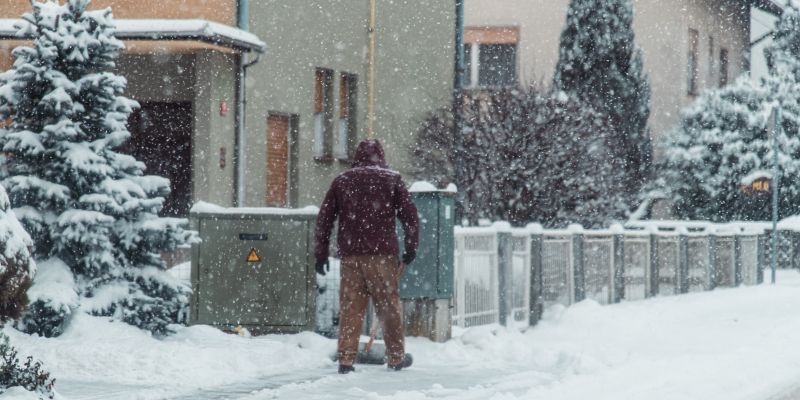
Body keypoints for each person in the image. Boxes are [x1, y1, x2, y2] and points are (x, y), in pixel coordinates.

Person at [314, 139, 419, 374]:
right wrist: (410, 250)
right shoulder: (392, 179)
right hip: (382, 256)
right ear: (381, 156)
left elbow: (324, 220)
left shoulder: (342, 181)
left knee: (351, 309)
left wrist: (321, 254)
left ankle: (346, 359)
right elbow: (410, 217)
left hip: (351, 257)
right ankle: (395, 357)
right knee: (389, 308)